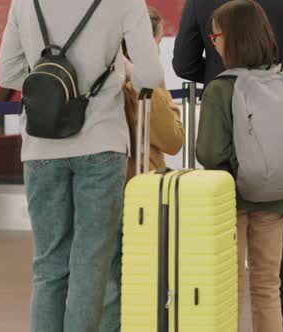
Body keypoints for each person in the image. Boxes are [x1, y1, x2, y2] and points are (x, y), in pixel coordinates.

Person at [0, 0, 164, 331]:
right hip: (101, 142)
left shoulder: (24, 2)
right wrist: (116, 73)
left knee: (48, 266)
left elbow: (7, 71)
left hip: (41, 145)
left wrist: (56, 88)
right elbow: (150, 76)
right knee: (91, 263)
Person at [173, 1, 283, 329]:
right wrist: (281, 67)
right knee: (273, 273)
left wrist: (217, 70)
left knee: (226, 268)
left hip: (228, 161)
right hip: (279, 148)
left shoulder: (201, 6)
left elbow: (183, 63)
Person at [100, 7, 185, 331]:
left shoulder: (99, 72)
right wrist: (155, 85)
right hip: (138, 191)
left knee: (106, 283)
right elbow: (173, 138)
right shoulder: (142, 82)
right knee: (132, 284)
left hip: (98, 184)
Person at [122, 7, 185, 181]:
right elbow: (174, 140)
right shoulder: (144, 88)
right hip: (140, 186)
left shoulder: (108, 80)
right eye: (157, 43)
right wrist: (160, 85)